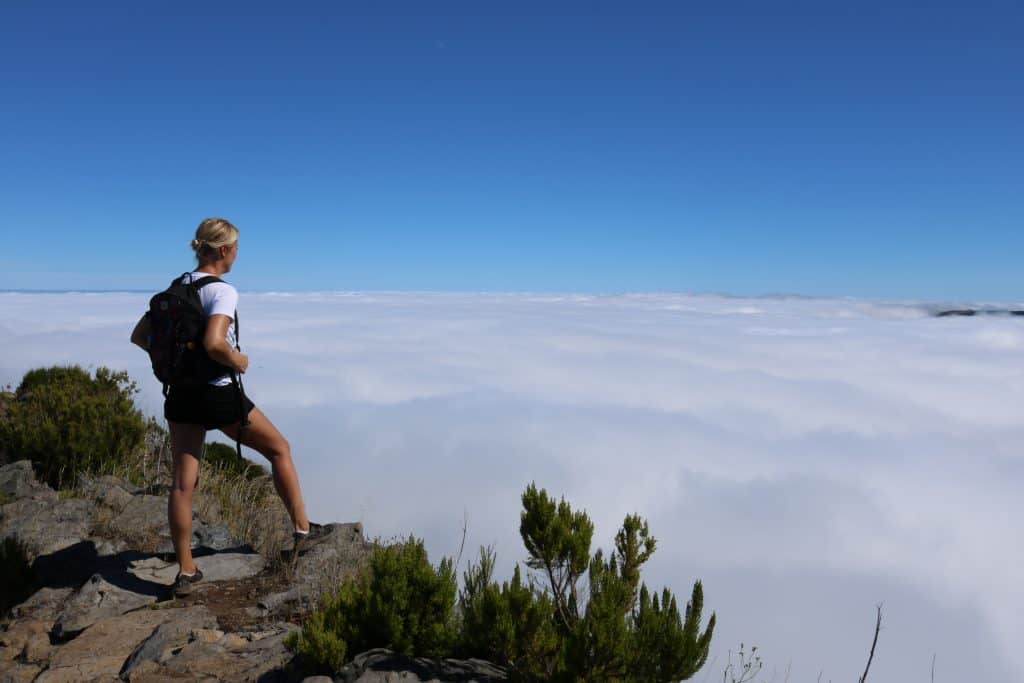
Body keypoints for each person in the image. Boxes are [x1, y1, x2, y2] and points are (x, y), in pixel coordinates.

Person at [131, 217, 332, 597]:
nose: (238, 253)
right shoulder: (222, 291)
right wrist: (236, 359)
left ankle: (186, 572)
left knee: (182, 484)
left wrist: (175, 364)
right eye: (236, 247)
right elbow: (214, 342)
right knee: (279, 449)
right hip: (218, 393)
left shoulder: (175, 288)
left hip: (181, 394)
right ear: (223, 250)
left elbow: (140, 336)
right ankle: (303, 531)